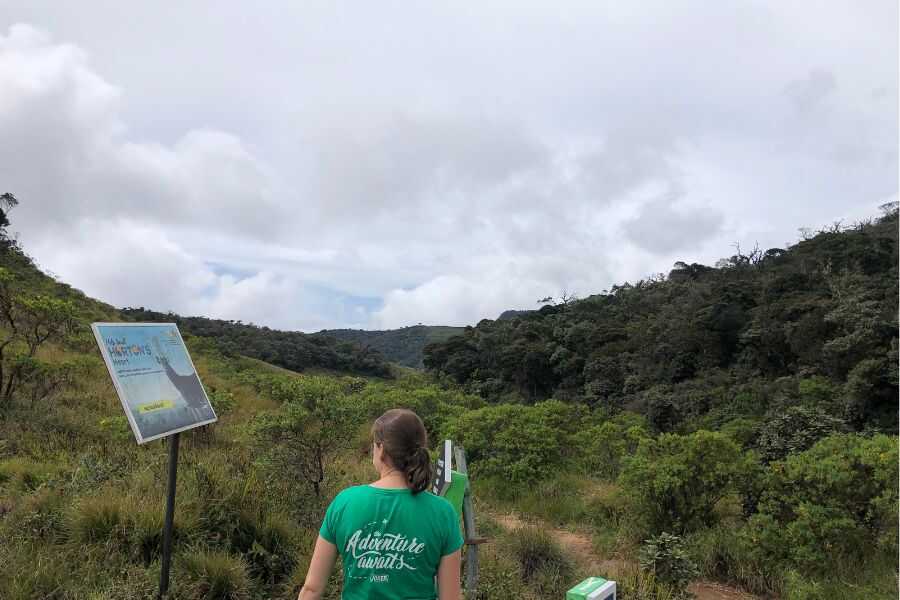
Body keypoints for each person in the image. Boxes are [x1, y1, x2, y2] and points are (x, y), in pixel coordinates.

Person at [298, 408, 463, 600]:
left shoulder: (345, 502)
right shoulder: (443, 512)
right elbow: (450, 597)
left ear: (381, 449)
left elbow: (312, 589)